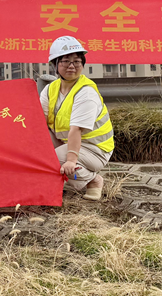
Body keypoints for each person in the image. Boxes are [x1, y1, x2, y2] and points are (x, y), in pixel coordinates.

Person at [40, 36, 115, 201]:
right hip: (68, 141)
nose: (72, 66)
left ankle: (93, 180)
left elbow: (76, 129)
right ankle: (68, 175)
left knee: (52, 162)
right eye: (66, 61)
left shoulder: (86, 92)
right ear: (55, 64)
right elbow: (40, 124)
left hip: (95, 149)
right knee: (38, 154)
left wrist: (70, 161)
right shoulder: (49, 89)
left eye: (77, 61)